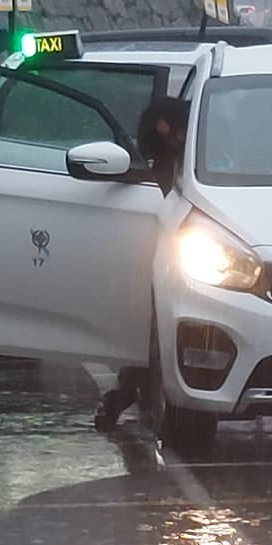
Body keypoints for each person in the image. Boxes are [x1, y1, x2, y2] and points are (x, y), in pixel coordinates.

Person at [95, 97, 190, 432]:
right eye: (166, 129)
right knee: (146, 330)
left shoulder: (193, 162)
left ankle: (135, 392)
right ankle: (133, 391)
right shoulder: (152, 167)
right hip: (150, 257)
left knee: (153, 332)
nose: (172, 135)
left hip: (175, 261)